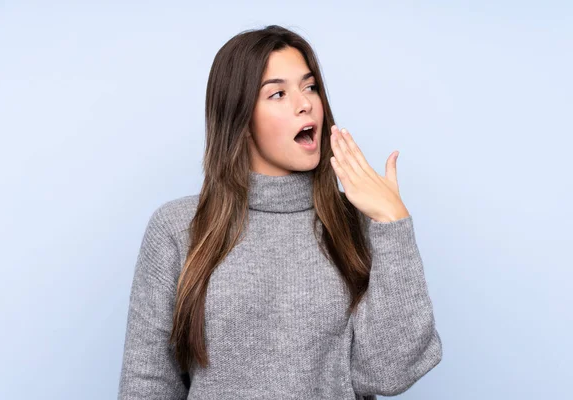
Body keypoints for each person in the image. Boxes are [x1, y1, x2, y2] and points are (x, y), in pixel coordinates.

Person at [117, 24, 442, 400]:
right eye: (277, 93)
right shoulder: (177, 228)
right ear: (240, 118)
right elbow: (148, 382)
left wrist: (393, 223)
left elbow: (388, 374)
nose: (305, 103)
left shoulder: (358, 222)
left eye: (310, 87)